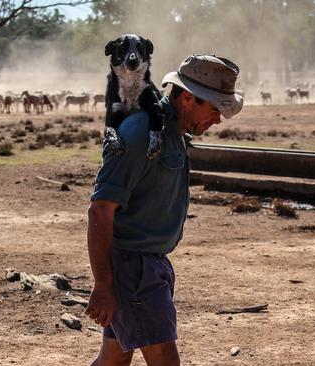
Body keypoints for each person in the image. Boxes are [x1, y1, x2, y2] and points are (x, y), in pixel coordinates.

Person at [85, 54, 244, 366]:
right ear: (187, 97)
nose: (217, 119)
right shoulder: (141, 133)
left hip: (149, 265)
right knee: (165, 360)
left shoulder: (173, 132)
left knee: (113, 358)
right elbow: (100, 210)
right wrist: (103, 285)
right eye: (214, 109)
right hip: (134, 270)